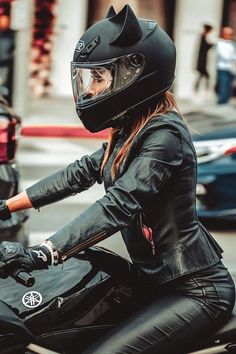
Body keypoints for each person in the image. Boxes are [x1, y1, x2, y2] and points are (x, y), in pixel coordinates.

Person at [0, 5, 235, 354]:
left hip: (195, 290)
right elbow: (78, 173)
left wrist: (44, 252)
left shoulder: (164, 134)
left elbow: (119, 205)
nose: (91, 90)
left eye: (99, 78)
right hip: (152, 279)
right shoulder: (130, 127)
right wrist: (5, 206)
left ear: (135, 73)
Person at [215, 26, 236, 104]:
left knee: (229, 87)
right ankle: (222, 102)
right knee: (223, 85)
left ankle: (226, 101)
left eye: (230, 34)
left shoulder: (232, 43)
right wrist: (233, 57)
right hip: (223, 68)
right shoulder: (220, 43)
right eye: (227, 34)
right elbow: (224, 56)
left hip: (232, 69)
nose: (229, 35)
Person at [194, 24, 214, 97]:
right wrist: (211, 44)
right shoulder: (203, 36)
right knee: (205, 76)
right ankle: (201, 92)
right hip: (202, 62)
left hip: (202, 61)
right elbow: (204, 48)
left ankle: (197, 92)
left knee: (202, 76)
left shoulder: (203, 36)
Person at [0, 15, 15, 105]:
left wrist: (7, 57)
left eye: (5, 21)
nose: (2, 23)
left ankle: (5, 104)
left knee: (3, 86)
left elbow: (15, 49)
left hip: (5, 65)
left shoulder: (12, 35)